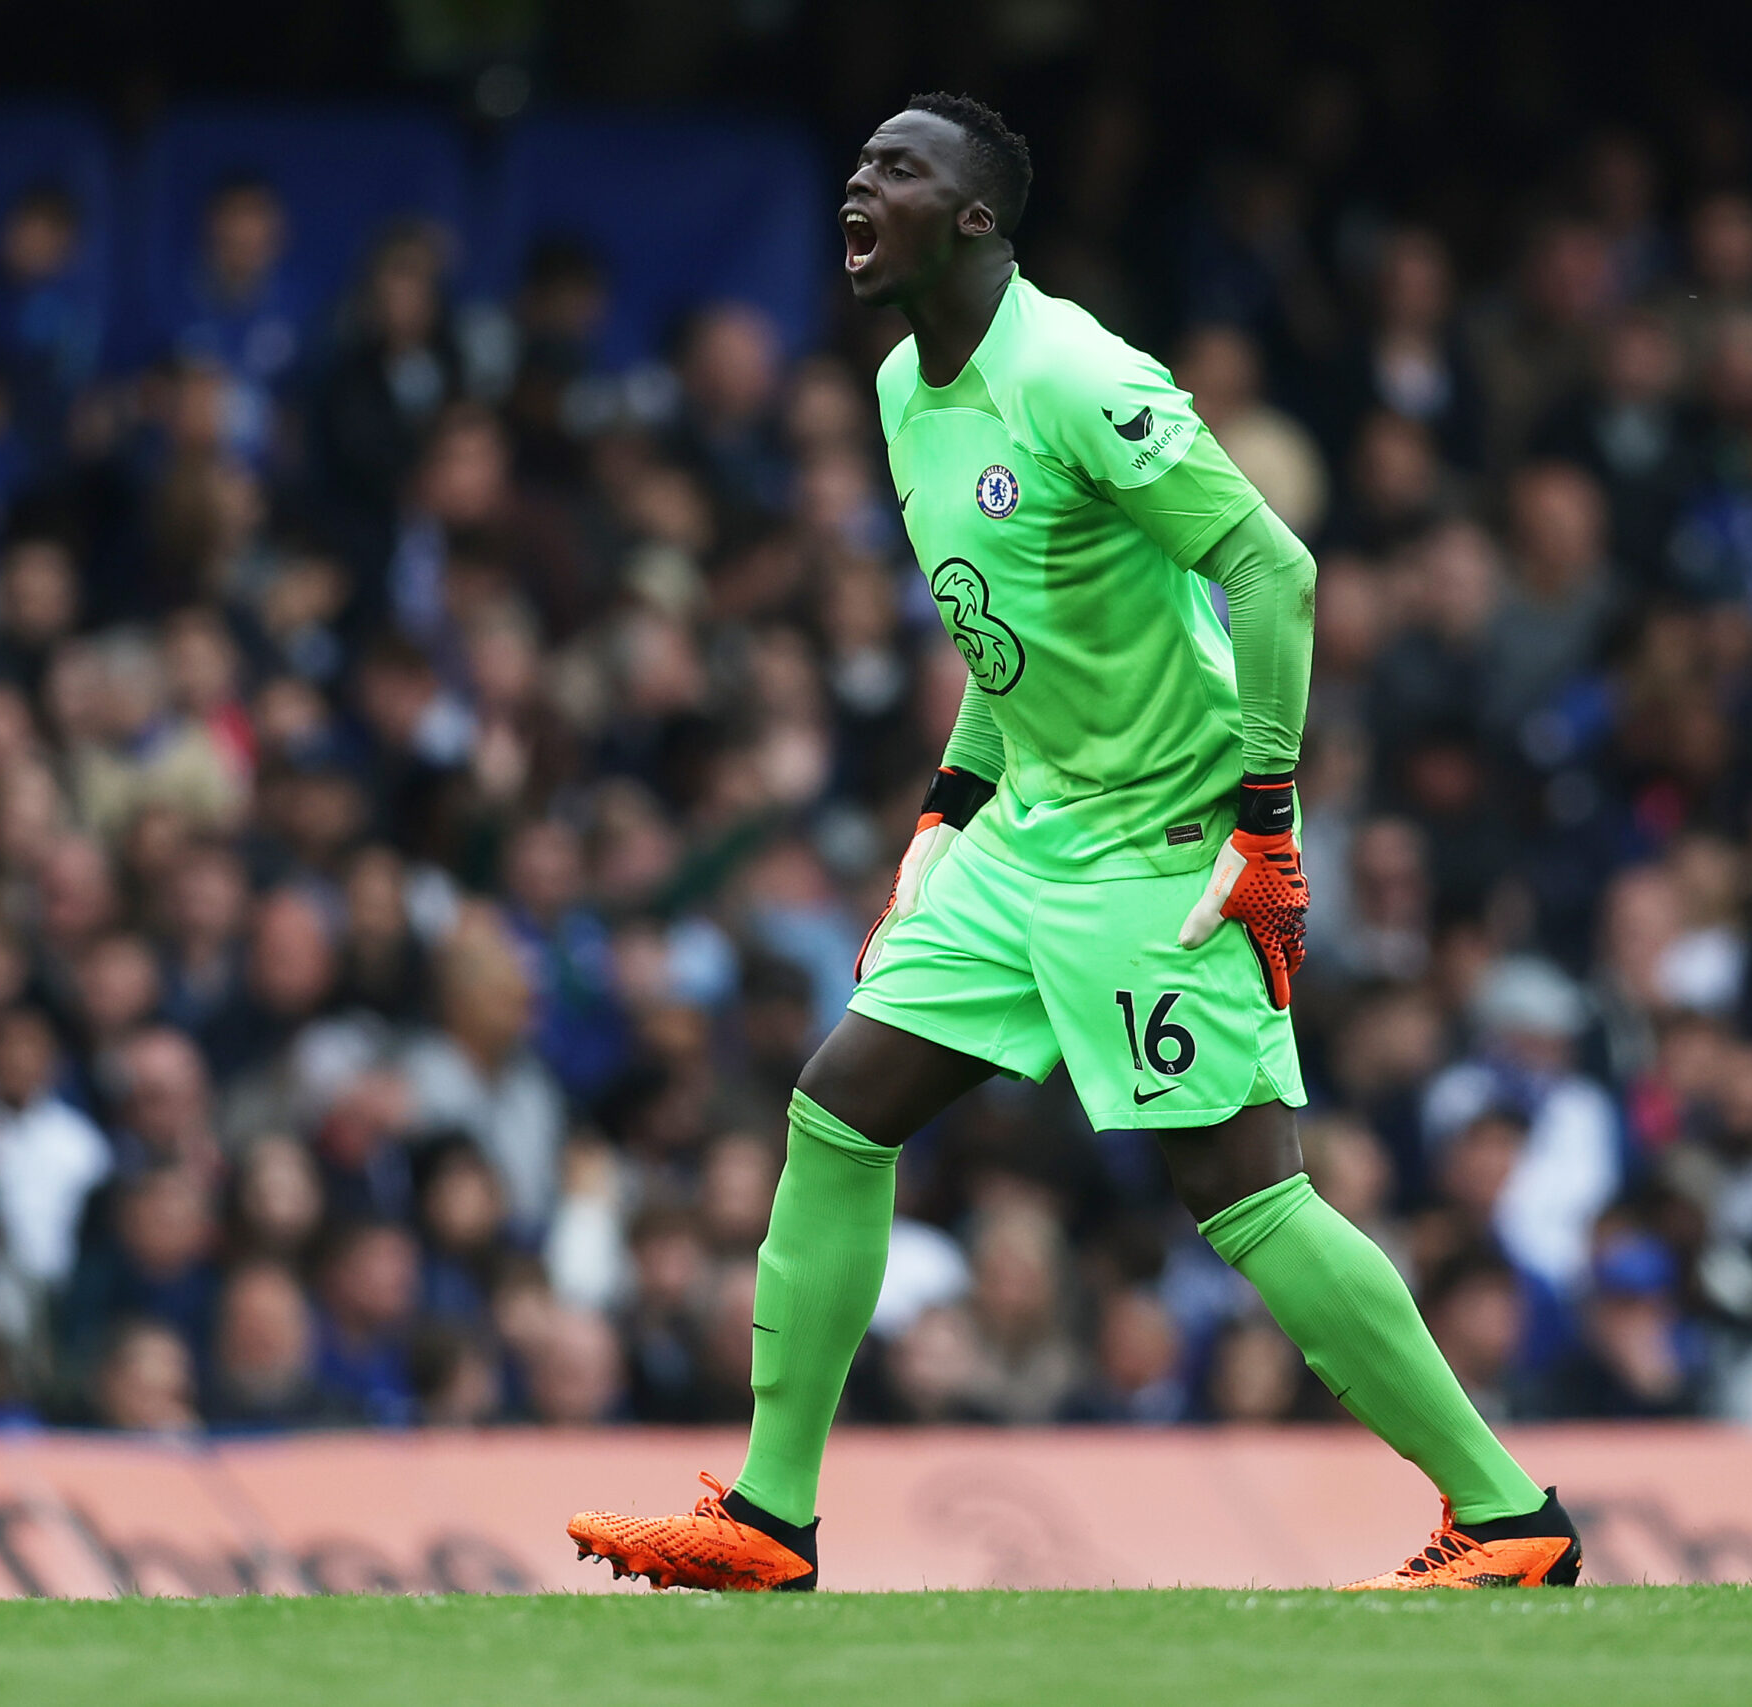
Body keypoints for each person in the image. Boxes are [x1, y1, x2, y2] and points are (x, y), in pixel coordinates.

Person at [568, 93, 1579, 1596]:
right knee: (838, 1110)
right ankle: (771, 1521)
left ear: (976, 219)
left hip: (1164, 849)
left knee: (1247, 1198)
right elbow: (1011, 638)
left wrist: (1266, 821)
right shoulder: (910, 386)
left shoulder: (1078, 374)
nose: (862, 182)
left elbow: (1272, 569)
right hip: (1024, 835)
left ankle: (1507, 1516)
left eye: (899, 170)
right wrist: (946, 807)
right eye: (860, 165)